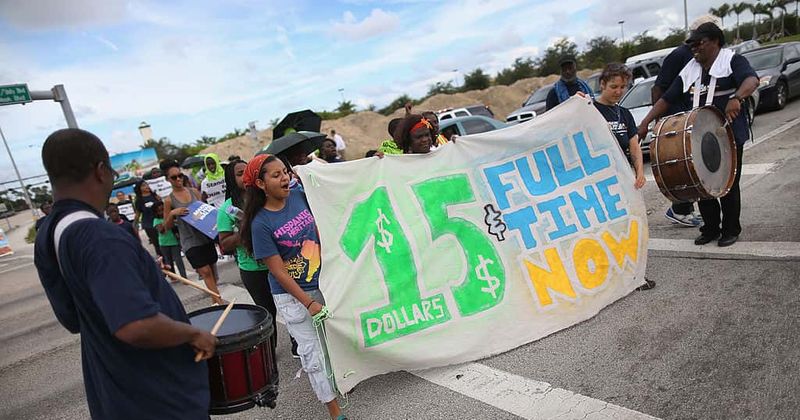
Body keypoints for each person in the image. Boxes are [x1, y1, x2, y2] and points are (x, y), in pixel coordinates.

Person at [34, 128, 215, 419]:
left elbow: (72, 317)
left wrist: (135, 273)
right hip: (155, 397)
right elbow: (135, 326)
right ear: (100, 170)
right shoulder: (100, 238)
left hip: (114, 393)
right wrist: (194, 334)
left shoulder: (50, 233)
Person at [239, 154, 346, 420]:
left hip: (324, 284)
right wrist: (308, 302)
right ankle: (334, 411)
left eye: (285, 172)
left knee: (332, 344)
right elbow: (277, 271)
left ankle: (340, 383)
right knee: (313, 354)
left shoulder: (299, 195)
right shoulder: (260, 224)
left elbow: (333, 180)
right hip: (293, 297)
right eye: (276, 175)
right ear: (261, 184)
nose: (285, 178)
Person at [637, 22, 759, 247]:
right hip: (699, 135)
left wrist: (736, 98)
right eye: (691, 44)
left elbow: (751, 80)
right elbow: (667, 97)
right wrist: (645, 122)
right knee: (700, 182)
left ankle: (731, 229)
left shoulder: (731, 60)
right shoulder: (691, 68)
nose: (693, 48)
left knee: (727, 183)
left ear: (715, 42)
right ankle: (710, 228)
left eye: (698, 43)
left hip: (727, 134)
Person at [652, 16, 723, 228]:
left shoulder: (708, 56)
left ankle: (684, 208)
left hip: (695, 119)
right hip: (678, 120)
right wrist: (660, 121)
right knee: (686, 168)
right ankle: (679, 209)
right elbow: (659, 87)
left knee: (699, 166)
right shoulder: (680, 55)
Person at [217, 158, 280, 366]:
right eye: (238, 174)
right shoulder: (226, 210)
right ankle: (269, 353)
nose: (244, 177)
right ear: (230, 179)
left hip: (279, 262)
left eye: (247, 171)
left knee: (291, 306)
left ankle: (299, 345)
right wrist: (245, 229)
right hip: (253, 269)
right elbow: (224, 244)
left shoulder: (266, 196)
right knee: (267, 311)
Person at [162, 160, 224, 304]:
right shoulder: (168, 201)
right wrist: (172, 213)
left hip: (205, 237)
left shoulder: (194, 192)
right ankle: (219, 304)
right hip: (189, 241)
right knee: (205, 272)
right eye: (174, 177)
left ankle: (215, 299)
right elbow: (167, 226)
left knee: (213, 272)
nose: (178, 179)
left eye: (180, 175)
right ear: (167, 180)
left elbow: (208, 212)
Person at [153, 201, 187, 278]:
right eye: (159, 211)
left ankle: (183, 276)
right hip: (164, 243)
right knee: (169, 261)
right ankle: (173, 276)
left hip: (174, 241)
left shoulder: (172, 217)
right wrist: (167, 219)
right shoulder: (156, 220)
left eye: (163, 210)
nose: (161, 212)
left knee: (178, 260)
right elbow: (161, 230)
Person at [133, 180, 162, 257]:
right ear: (139, 188)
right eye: (143, 185)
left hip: (160, 222)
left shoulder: (154, 195)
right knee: (157, 244)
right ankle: (163, 261)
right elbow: (137, 215)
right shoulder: (139, 200)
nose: (146, 186)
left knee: (165, 242)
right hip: (149, 225)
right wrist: (134, 226)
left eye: (147, 184)